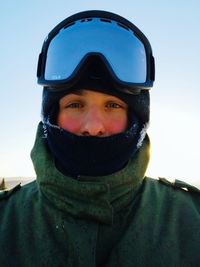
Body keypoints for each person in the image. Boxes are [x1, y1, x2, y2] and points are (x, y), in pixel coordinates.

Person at [0, 10, 200, 267]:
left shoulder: (190, 219)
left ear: (135, 117)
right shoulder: (6, 222)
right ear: (53, 114)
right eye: (74, 104)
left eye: (113, 106)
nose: (93, 127)